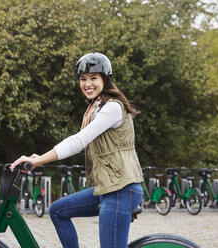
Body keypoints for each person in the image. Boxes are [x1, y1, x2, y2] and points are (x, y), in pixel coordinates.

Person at [11, 52, 144, 248]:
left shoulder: (112, 108)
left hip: (121, 190)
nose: (87, 84)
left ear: (105, 80)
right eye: (83, 79)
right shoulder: (96, 107)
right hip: (108, 188)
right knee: (58, 211)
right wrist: (39, 157)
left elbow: (79, 140)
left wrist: (39, 160)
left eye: (93, 78)